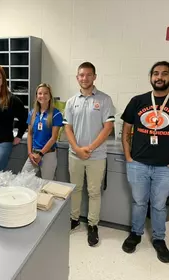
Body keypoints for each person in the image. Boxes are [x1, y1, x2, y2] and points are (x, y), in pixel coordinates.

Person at [121, 61, 169, 263]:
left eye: (165, 74)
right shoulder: (138, 101)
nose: (160, 77)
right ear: (150, 77)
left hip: (164, 166)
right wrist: (128, 156)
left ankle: (159, 239)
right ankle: (136, 233)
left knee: (159, 205)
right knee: (139, 202)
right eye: (156, 73)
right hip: (138, 163)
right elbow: (126, 131)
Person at [64, 62, 114, 246]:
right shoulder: (71, 102)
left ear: (94, 77)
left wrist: (90, 148)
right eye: (81, 75)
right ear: (77, 78)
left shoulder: (105, 100)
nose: (84, 78)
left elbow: (108, 128)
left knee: (94, 192)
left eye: (88, 75)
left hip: (96, 156)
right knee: (75, 189)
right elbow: (67, 127)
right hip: (75, 154)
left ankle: (93, 225)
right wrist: (77, 148)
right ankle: (74, 219)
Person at [21, 83, 63, 179]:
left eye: (45, 93)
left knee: (46, 185)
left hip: (48, 154)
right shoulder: (32, 113)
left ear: (50, 96)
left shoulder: (56, 114)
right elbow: (30, 134)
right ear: (36, 96)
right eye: (40, 93)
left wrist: (40, 154)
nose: (42, 96)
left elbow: (53, 138)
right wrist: (30, 153)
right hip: (34, 153)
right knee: (23, 179)